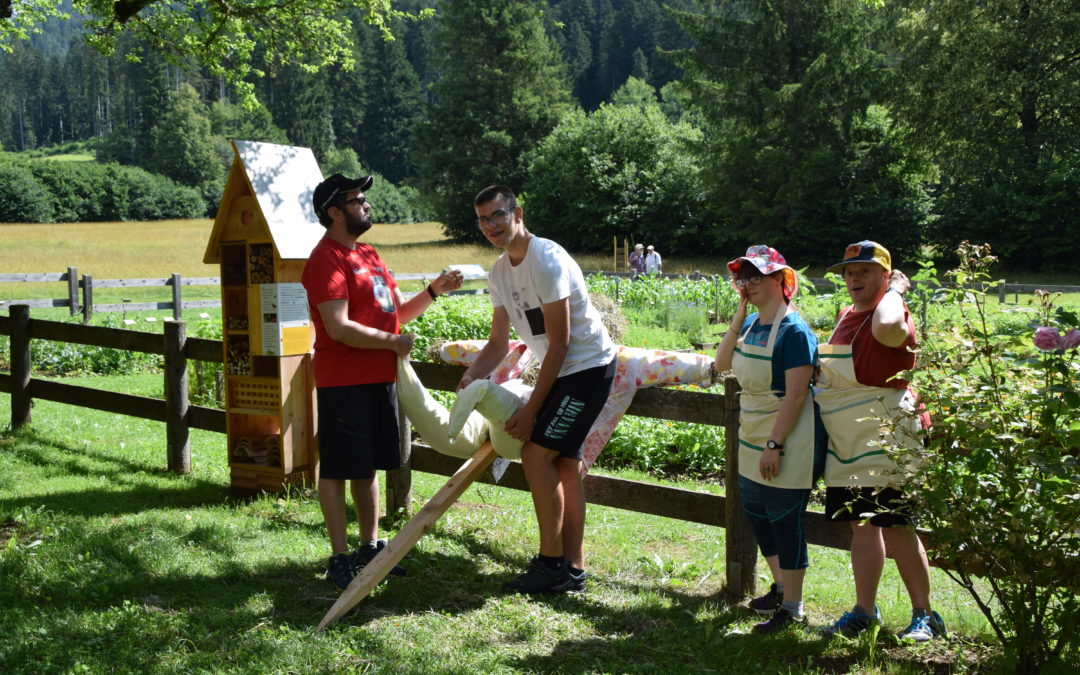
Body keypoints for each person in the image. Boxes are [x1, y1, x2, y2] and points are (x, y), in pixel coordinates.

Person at [302, 173, 463, 590]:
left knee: (367, 464)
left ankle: (370, 547)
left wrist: (433, 291)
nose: (366, 204)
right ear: (334, 212)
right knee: (338, 468)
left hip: (379, 377)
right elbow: (337, 327)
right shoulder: (326, 260)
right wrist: (393, 342)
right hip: (344, 381)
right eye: (357, 200)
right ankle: (339, 557)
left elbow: (396, 317)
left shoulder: (370, 255)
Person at [459, 185, 618, 594]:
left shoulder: (546, 258)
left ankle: (551, 564)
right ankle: (573, 570)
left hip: (587, 365)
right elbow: (497, 343)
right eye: (482, 219)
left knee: (534, 453)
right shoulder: (497, 272)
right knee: (565, 467)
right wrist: (473, 376)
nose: (490, 226)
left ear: (518, 213)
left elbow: (562, 343)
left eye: (497, 215)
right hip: (561, 368)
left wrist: (532, 411)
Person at [816, 241, 945, 642]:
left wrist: (897, 291)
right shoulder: (846, 315)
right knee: (861, 525)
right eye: (849, 273)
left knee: (897, 526)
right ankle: (864, 611)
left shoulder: (892, 311)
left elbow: (888, 330)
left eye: (866, 272)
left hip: (888, 434)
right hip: (849, 437)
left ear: (886, 277)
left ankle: (926, 615)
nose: (854, 279)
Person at [713, 245, 824, 634]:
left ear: (781, 279)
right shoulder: (751, 325)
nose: (748, 284)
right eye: (744, 278)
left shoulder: (794, 332)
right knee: (758, 512)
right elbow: (722, 363)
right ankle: (779, 588)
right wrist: (739, 315)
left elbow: (795, 395)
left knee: (784, 519)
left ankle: (793, 608)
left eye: (757, 277)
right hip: (751, 432)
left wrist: (774, 446)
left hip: (785, 436)